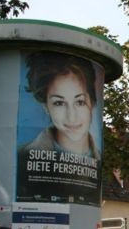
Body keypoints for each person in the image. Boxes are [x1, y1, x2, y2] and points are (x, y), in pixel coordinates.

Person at [16, 52, 100, 202]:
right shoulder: (21, 158)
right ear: (46, 107)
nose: (71, 117)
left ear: (92, 102)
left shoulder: (99, 165)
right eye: (59, 103)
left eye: (80, 102)